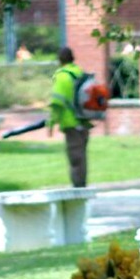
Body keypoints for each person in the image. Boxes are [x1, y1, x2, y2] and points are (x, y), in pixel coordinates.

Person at [49, 46, 91, 187]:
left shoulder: (62, 76)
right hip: (84, 120)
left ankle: (78, 187)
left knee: (74, 156)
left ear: (59, 60)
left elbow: (57, 103)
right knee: (82, 155)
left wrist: (51, 123)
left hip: (70, 122)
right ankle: (82, 183)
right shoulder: (80, 73)